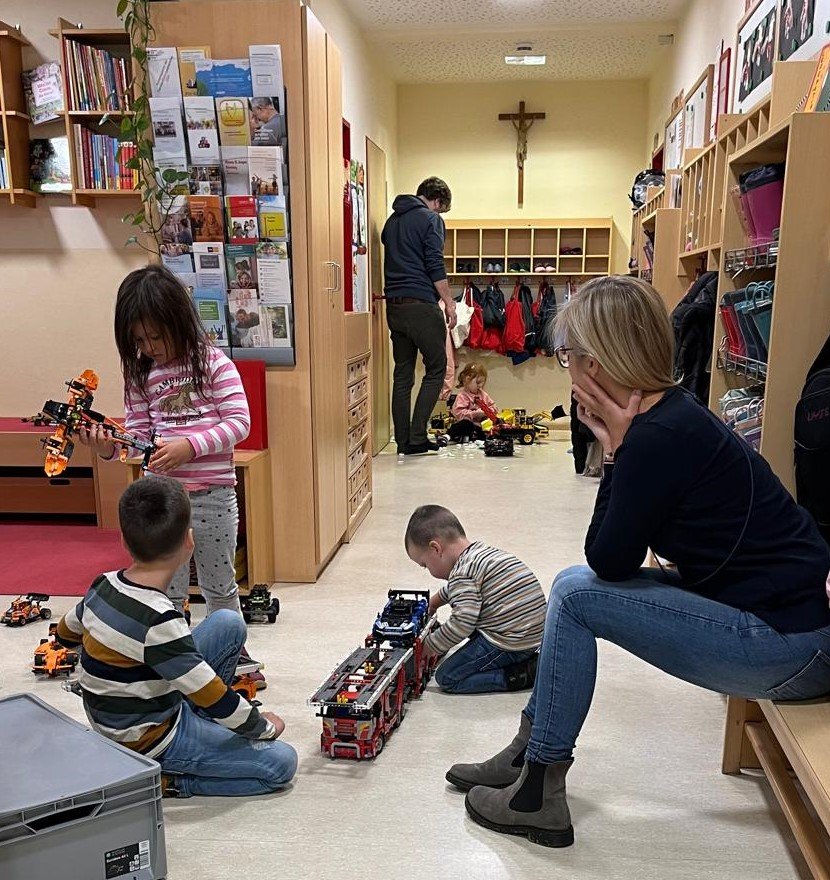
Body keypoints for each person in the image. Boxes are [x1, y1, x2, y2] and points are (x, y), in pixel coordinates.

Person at [447, 275, 830, 848]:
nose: (567, 370)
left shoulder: (655, 439)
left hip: (790, 645)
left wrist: (615, 451)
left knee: (576, 596)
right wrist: (619, 448)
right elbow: (607, 557)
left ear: (595, 365)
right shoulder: (673, 415)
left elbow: (607, 557)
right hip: (784, 621)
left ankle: (537, 789)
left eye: (567, 357)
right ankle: (531, 758)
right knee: (573, 586)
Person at [55, 477, 296, 798]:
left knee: (228, 622)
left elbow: (64, 634)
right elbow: (210, 692)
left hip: (121, 714)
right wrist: (263, 728)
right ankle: (167, 781)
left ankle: (197, 725)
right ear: (189, 542)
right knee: (281, 764)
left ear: (124, 541)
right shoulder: (161, 620)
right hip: (148, 737)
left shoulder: (104, 584)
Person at [78, 265, 250, 619]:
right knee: (161, 591)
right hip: (159, 502)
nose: (150, 347)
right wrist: (107, 447)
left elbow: (239, 422)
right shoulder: (141, 375)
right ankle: (171, 650)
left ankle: (233, 655)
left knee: (219, 586)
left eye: (156, 336)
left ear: (179, 320)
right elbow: (138, 438)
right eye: (139, 340)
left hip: (212, 498)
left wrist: (189, 446)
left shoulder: (214, 364)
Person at [406, 505, 545, 695]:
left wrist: (429, 646)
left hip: (511, 642)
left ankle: (521, 674)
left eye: (424, 565)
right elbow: (458, 589)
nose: (427, 570)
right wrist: (434, 602)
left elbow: (462, 623)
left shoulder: (462, 574)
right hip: (531, 632)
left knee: (448, 678)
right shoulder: (478, 555)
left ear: (436, 549)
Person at [383, 177, 457, 456]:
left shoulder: (393, 221)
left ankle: (403, 441)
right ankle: (417, 436)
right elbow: (434, 262)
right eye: (441, 209)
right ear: (437, 201)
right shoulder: (430, 220)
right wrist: (449, 302)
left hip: (394, 306)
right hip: (421, 305)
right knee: (437, 369)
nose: (439, 214)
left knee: (402, 374)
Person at [449, 363, 497, 443]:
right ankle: (451, 435)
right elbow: (458, 413)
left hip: (482, 426)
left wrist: (489, 411)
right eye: (478, 383)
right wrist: (475, 413)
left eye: (482, 383)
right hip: (468, 425)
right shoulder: (463, 395)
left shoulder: (483, 394)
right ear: (466, 380)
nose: (480, 386)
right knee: (465, 424)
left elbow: (494, 406)